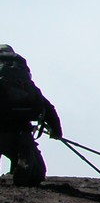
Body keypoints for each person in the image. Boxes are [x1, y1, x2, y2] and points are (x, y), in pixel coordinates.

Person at [0, 45, 62, 186]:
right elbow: (48, 107)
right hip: (21, 135)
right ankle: (24, 163)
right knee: (37, 174)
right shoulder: (23, 82)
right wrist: (56, 131)